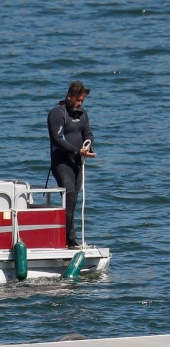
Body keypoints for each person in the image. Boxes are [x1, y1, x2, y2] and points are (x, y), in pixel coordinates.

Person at [48, 81, 96, 248]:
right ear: (69, 96)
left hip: (77, 162)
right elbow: (57, 139)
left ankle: (68, 238)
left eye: (82, 101)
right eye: (78, 100)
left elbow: (88, 133)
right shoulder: (57, 113)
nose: (80, 104)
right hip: (61, 162)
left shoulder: (82, 114)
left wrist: (88, 146)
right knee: (68, 195)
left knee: (73, 200)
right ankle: (70, 239)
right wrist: (77, 151)